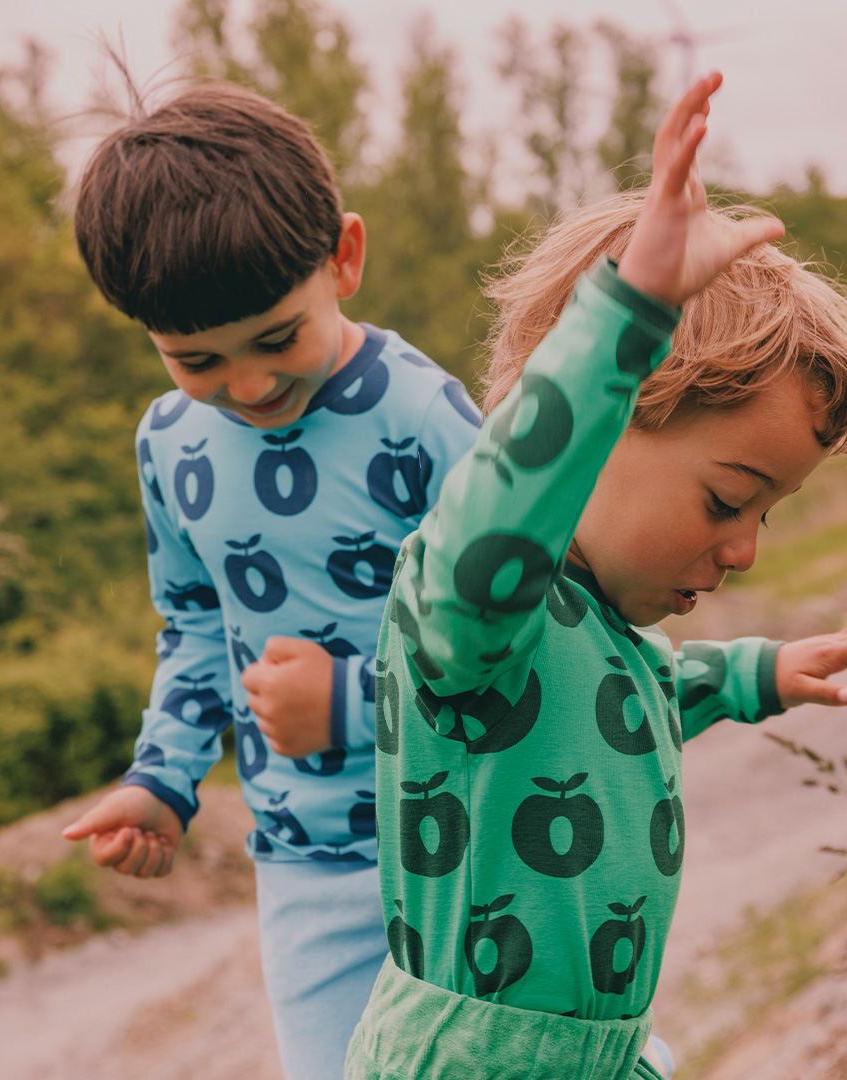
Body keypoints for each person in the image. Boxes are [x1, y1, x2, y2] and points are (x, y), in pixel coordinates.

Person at [346, 72, 847, 1080]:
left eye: (768, 513)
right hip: (474, 1063)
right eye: (725, 499)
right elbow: (505, 506)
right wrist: (631, 317)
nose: (744, 548)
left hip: (594, 1055)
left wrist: (764, 671)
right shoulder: (473, 613)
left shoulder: (598, 630)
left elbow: (640, 692)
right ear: (599, 428)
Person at [61, 76, 482, 1078]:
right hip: (304, 863)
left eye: (276, 337)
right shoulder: (170, 445)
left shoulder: (422, 420)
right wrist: (162, 779)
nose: (249, 386)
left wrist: (352, 702)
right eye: (196, 358)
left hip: (472, 836)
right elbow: (197, 623)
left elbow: (526, 626)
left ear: (344, 256)